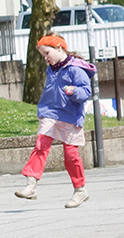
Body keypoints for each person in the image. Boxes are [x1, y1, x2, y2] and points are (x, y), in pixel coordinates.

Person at [13, 34, 93, 208]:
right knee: (41, 145)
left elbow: (86, 91)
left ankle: (80, 190)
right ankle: (31, 184)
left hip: (70, 117)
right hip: (50, 114)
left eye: (47, 53)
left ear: (59, 48)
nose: (46, 58)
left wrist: (74, 91)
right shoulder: (52, 69)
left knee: (71, 156)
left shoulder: (75, 69)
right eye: (43, 55)